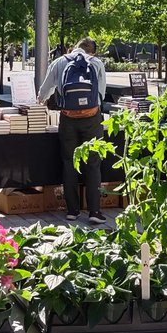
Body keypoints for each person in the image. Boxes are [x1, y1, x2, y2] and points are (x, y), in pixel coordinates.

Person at [38, 37, 107, 224]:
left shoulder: (60, 62)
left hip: (68, 118)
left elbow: (45, 90)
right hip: (92, 118)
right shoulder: (97, 63)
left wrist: (40, 99)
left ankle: (72, 211)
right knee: (93, 163)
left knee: (69, 162)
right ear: (91, 51)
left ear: (75, 48)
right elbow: (101, 93)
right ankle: (94, 211)